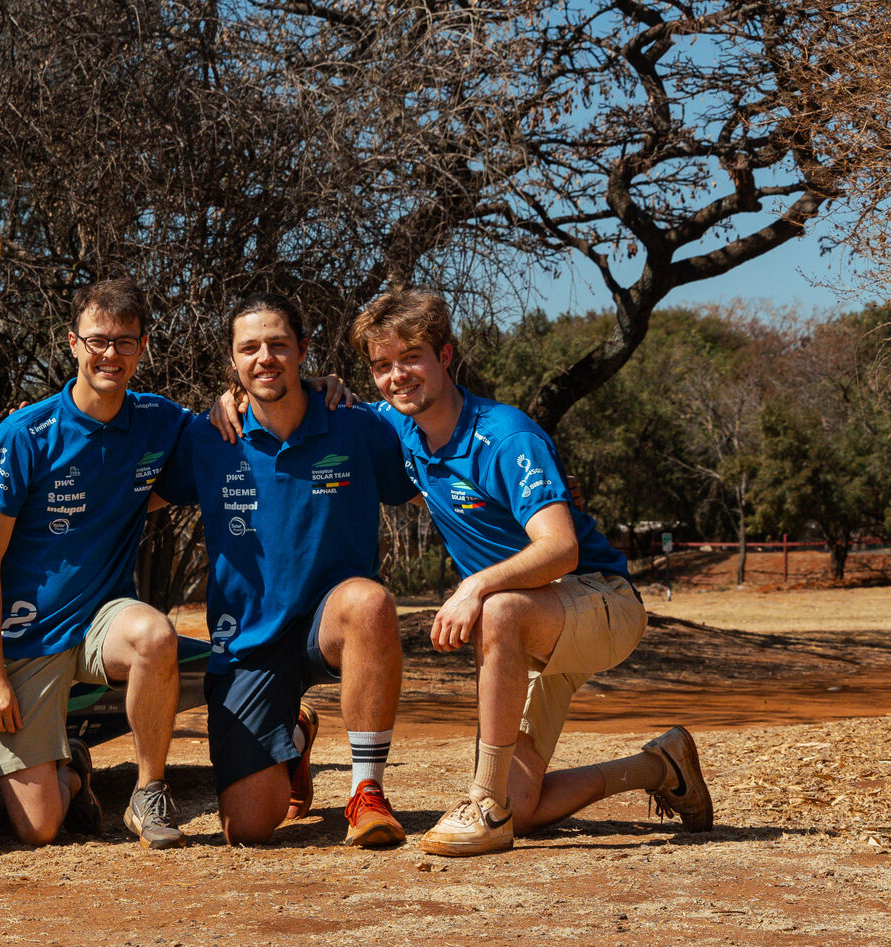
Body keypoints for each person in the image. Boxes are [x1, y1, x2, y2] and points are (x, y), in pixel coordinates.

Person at [348, 288, 712, 856]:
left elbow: (561, 549)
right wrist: (245, 399)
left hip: (600, 601)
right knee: (531, 808)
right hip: (528, 630)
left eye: (411, 357)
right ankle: (659, 767)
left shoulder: (507, 435)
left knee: (498, 607)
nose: (397, 376)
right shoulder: (399, 428)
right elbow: (317, 404)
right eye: (381, 365)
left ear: (444, 355)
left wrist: (476, 583)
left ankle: (484, 806)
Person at [165, 292, 414, 847]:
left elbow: (427, 485)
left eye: (279, 344)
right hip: (248, 641)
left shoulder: (357, 426)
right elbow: (139, 491)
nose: (265, 358)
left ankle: (366, 793)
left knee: (369, 602)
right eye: (249, 348)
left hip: (330, 621)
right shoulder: (206, 437)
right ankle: (295, 740)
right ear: (233, 362)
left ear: (303, 351)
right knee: (249, 826)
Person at [0, 277, 190, 849]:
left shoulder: (161, 422)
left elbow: (236, 422)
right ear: (72, 344)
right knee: (38, 828)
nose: (109, 354)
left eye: (123, 342)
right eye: (97, 340)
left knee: (157, 636)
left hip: (102, 621)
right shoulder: (25, 434)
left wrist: (316, 387)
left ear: (142, 348)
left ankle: (148, 794)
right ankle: (72, 772)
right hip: (30, 634)